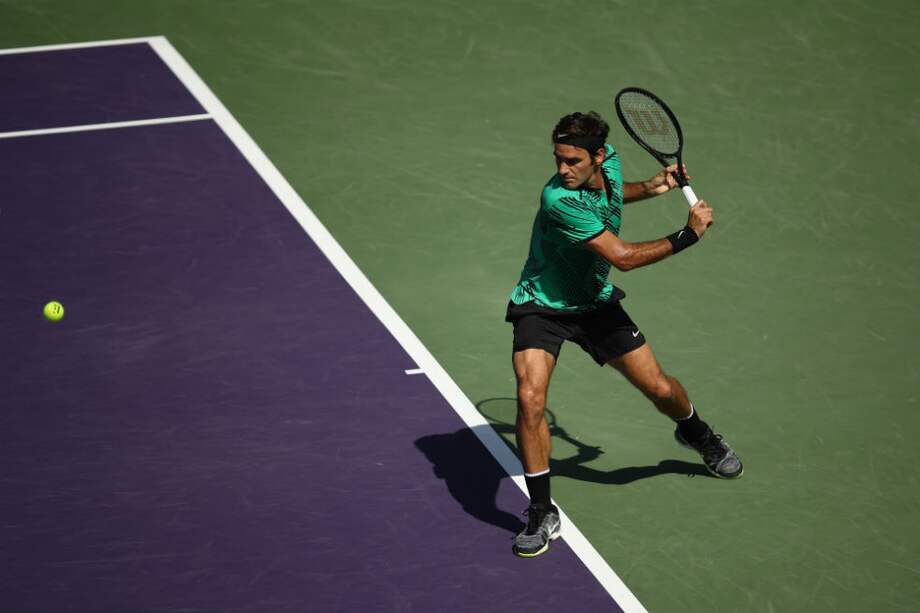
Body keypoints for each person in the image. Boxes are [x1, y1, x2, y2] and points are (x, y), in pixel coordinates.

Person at [505, 111, 743, 558]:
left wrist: (653, 188)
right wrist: (688, 234)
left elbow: (613, 196)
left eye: (573, 161)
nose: (562, 170)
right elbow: (624, 257)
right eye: (558, 159)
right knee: (529, 398)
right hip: (543, 304)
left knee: (659, 387)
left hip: (594, 302)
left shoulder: (609, 163)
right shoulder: (558, 200)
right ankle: (541, 512)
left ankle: (697, 432)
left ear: (598, 156)